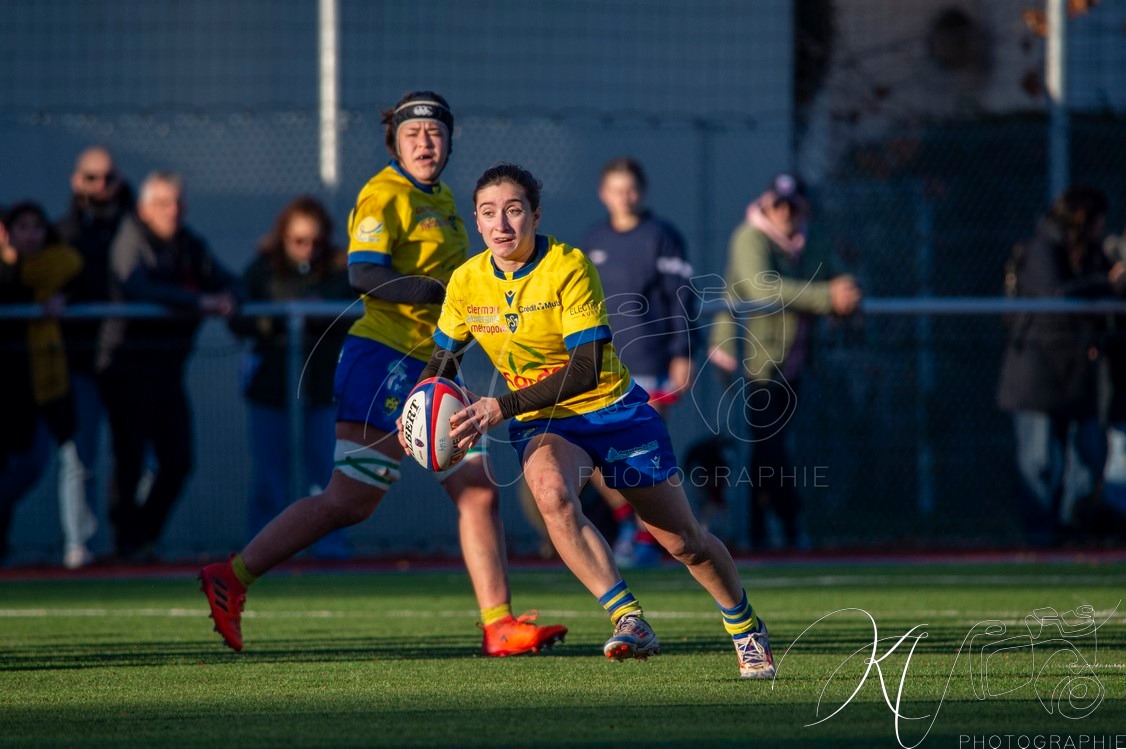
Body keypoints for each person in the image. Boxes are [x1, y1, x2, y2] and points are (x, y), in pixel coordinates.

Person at [198, 91, 567, 656]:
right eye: (412, 132)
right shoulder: (383, 194)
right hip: (383, 363)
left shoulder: (443, 198)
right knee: (349, 501)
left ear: (449, 141)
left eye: (435, 133)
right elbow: (362, 273)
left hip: (433, 366)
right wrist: (447, 292)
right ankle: (232, 576)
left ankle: (500, 626)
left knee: (477, 492)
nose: (425, 142)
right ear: (393, 139)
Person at [403, 162, 775, 679]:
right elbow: (441, 364)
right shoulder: (466, 282)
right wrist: (418, 413)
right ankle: (628, 618)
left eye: (514, 210)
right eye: (489, 213)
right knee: (551, 492)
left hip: (612, 411)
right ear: (477, 222)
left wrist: (497, 407)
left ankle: (745, 626)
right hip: (544, 423)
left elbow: (584, 371)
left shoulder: (568, 266)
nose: (502, 224)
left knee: (683, 541)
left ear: (535, 214)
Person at [708, 173, 861, 550]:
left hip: (791, 362)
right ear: (766, 204)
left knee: (767, 451)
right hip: (749, 361)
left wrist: (848, 292)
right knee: (766, 448)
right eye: (779, 204)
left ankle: (759, 534)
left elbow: (836, 275)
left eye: (793, 206)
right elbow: (761, 286)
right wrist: (828, 297)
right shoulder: (749, 236)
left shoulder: (811, 238)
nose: (785, 213)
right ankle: (783, 524)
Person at [98, 171, 240, 561]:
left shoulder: (189, 244)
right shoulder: (132, 238)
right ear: (144, 209)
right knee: (129, 459)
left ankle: (143, 538)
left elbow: (228, 281)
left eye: (177, 203)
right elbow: (135, 285)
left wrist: (230, 298)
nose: (172, 211)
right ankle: (125, 543)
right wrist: (198, 302)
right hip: (128, 367)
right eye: (162, 203)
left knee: (178, 460)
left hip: (167, 370)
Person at [579, 157, 694, 568]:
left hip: (648, 365)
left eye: (631, 188)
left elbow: (681, 300)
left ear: (641, 191)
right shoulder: (592, 240)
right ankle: (632, 523)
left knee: (643, 457)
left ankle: (653, 538)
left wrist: (682, 354)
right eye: (616, 189)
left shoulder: (662, 236)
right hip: (600, 368)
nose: (624, 197)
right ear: (602, 194)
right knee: (589, 454)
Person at [230, 196, 352, 558]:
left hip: (320, 390)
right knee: (270, 478)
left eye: (315, 242)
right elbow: (240, 314)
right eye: (299, 242)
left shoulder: (338, 270)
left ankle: (328, 551)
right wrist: (284, 316)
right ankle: (263, 554)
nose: (308, 250)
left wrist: (318, 310)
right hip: (272, 389)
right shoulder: (263, 269)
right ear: (284, 238)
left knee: (326, 476)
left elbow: (353, 306)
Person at [997, 186, 1117, 547]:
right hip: (1038, 378)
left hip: (1076, 378)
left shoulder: (1093, 255)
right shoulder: (1041, 250)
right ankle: (1040, 538)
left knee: (1084, 461)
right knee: (1039, 462)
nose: (1101, 230)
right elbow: (1057, 297)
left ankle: (1074, 529)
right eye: (1096, 222)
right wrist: (1105, 284)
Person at [55, 145, 135, 568]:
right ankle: (78, 546)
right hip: (81, 362)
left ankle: (130, 542)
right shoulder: (62, 233)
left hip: (128, 360)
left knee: (136, 456)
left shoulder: (134, 227)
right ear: (76, 181)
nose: (99, 187)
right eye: (90, 178)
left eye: (107, 178)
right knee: (78, 457)